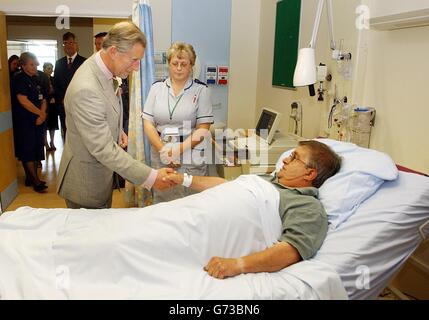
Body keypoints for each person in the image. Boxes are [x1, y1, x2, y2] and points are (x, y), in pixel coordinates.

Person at [166, 140, 342, 279]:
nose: (286, 160)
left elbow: (291, 250)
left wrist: (237, 265)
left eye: (295, 157)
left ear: (309, 174)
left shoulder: (307, 205)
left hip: (202, 230)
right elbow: (227, 186)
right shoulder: (267, 179)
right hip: (191, 212)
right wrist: (183, 178)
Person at [57, 21, 176, 209]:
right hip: (85, 183)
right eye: (134, 60)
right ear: (113, 51)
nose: (136, 67)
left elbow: (106, 106)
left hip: (101, 176)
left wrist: (117, 128)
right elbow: (104, 149)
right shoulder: (86, 89)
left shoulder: (104, 69)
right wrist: (151, 177)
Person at [142, 42, 214, 203]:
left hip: (190, 153)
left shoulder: (201, 91)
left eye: (184, 64)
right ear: (169, 64)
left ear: (191, 66)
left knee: (189, 202)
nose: (179, 68)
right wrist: (164, 151)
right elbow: (147, 123)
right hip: (161, 152)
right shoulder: (156, 88)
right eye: (175, 63)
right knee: (163, 199)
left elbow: (203, 129)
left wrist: (177, 151)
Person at [10, 52, 48, 192]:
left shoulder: (37, 79)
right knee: (28, 150)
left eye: (35, 63)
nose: (35, 66)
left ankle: (31, 177)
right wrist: (39, 114)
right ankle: (35, 181)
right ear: (24, 66)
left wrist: (42, 114)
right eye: (32, 64)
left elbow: (43, 99)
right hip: (25, 121)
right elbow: (23, 100)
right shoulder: (19, 79)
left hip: (39, 119)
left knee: (37, 148)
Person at [53, 32, 86, 139]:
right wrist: (62, 98)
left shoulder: (84, 62)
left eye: (71, 42)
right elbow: (56, 84)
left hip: (80, 104)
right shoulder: (59, 63)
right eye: (65, 43)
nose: (68, 45)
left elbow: (85, 83)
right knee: (66, 131)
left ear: (76, 44)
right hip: (63, 105)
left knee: (80, 133)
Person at [42, 62, 58, 151]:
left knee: (53, 124)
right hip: (44, 105)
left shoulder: (54, 79)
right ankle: (46, 143)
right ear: (44, 69)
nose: (51, 70)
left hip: (53, 105)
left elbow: (57, 90)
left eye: (51, 68)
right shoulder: (40, 79)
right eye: (48, 68)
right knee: (45, 125)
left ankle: (52, 142)